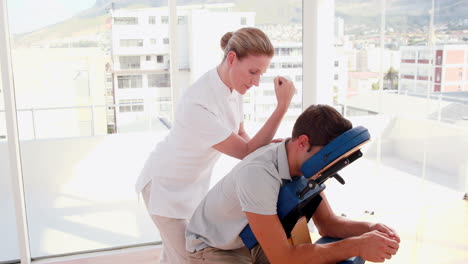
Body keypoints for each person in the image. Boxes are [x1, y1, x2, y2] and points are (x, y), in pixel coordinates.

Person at [135, 27, 296, 264]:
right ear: (232, 58)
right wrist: (281, 107)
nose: (257, 82)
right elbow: (245, 151)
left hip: (193, 187)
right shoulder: (198, 103)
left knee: (174, 257)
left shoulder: (234, 90)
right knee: (189, 258)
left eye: (261, 74)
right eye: (253, 72)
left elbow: (242, 136)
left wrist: (266, 147)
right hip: (166, 187)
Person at [186, 104, 401, 264]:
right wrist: (357, 245)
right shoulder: (259, 174)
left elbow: (328, 224)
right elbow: (283, 258)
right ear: (303, 142)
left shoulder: (306, 166)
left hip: (252, 240)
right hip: (215, 247)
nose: (327, 168)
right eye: (326, 158)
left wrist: (369, 229)